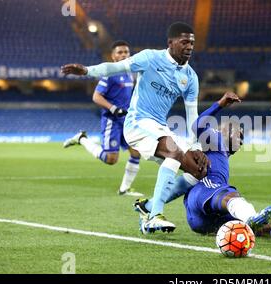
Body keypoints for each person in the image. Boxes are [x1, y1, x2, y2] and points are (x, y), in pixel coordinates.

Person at [134, 95, 271, 240]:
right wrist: (219, 105)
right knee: (227, 192)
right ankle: (252, 216)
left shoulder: (221, 153)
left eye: (242, 137)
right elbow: (198, 124)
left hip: (204, 219)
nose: (240, 139)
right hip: (203, 197)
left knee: (261, 231)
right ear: (222, 130)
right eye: (237, 133)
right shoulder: (214, 140)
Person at [61, 22, 211, 233]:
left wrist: (195, 145)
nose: (189, 46)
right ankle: (154, 215)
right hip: (137, 123)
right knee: (174, 152)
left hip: (159, 127)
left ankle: (146, 207)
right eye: (184, 41)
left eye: (192, 43)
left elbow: (192, 115)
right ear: (171, 42)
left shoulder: (191, 77)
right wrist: (87, 70)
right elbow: (114, 68)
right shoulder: (150, 58)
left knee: (198, 171)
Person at [63, 40, 143, 197]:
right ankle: (81, 139)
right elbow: (96, 96)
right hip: (112, 120)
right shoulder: (110, 74)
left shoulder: (130, 74)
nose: (123, 55)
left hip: (126, 120)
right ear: (113, 57)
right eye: (120, 52)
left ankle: (124, 189)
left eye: (126, 52)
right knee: (111, 159)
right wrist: (114, 108)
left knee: (136, 152)